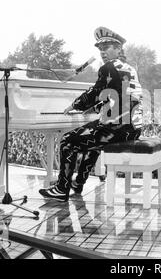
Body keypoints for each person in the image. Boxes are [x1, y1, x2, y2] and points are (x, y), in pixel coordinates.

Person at [39, 26, 143, 201]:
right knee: (91, 137)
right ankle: (78, 182)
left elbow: (94, 94)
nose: (102, 52)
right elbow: (116, 96)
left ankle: (61, 189)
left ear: (118, 49)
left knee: (67, 141)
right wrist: (96, 108)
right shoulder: (129, 69)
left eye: (107, 47)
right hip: (132, 128)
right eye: (100, 48)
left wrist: (74, 105)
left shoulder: (108, 68)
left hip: (116, 129)